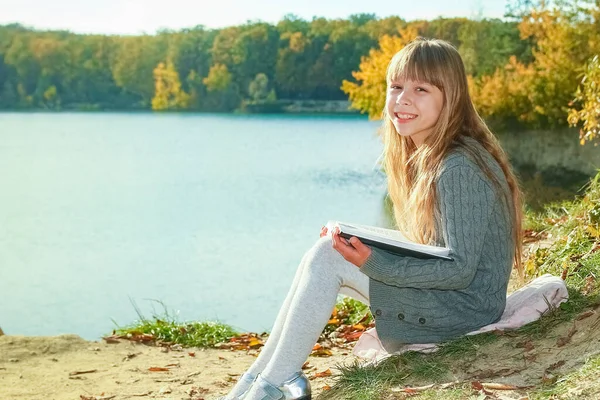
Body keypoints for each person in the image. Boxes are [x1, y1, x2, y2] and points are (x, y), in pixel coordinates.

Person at [220, 37, 523, 400]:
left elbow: (458, 268)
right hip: (456, 299)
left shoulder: (457, 166)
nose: (403, 99)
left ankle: (269, 387)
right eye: (396, 87)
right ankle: (258, 382)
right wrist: (357, 236)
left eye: (421, 89)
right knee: (329, 248)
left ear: (451, 97)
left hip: (465, 310)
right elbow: (435, 248)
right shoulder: (432, 155)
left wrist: (374, 261)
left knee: (328, 257)